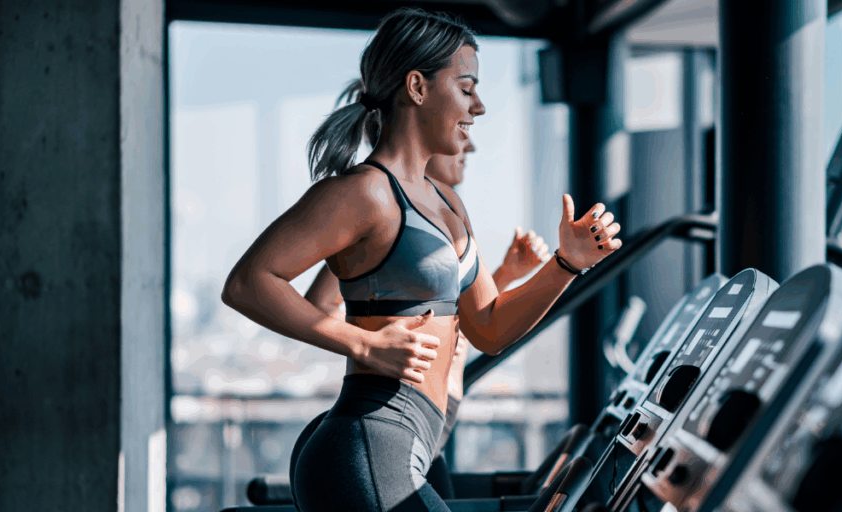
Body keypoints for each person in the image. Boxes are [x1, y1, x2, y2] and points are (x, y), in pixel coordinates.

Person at [220, 8, 622, 511]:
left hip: (418, 444)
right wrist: (362, 344)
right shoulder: (363, 193)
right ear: (417, 86)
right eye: (467, 87)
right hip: (368, 440)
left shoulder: (448, 203)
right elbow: (248, 282)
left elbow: (489, 329)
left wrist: (567, 263)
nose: (478, 108)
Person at [296, 140, 551, 500]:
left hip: (426, 433)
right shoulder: (380, 211)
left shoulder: (445, 213)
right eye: (460, 134)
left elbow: (460, 318)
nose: (471, 146)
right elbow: (321, 303)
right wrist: (371, 343)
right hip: (385, 428)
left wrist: (505, 275)